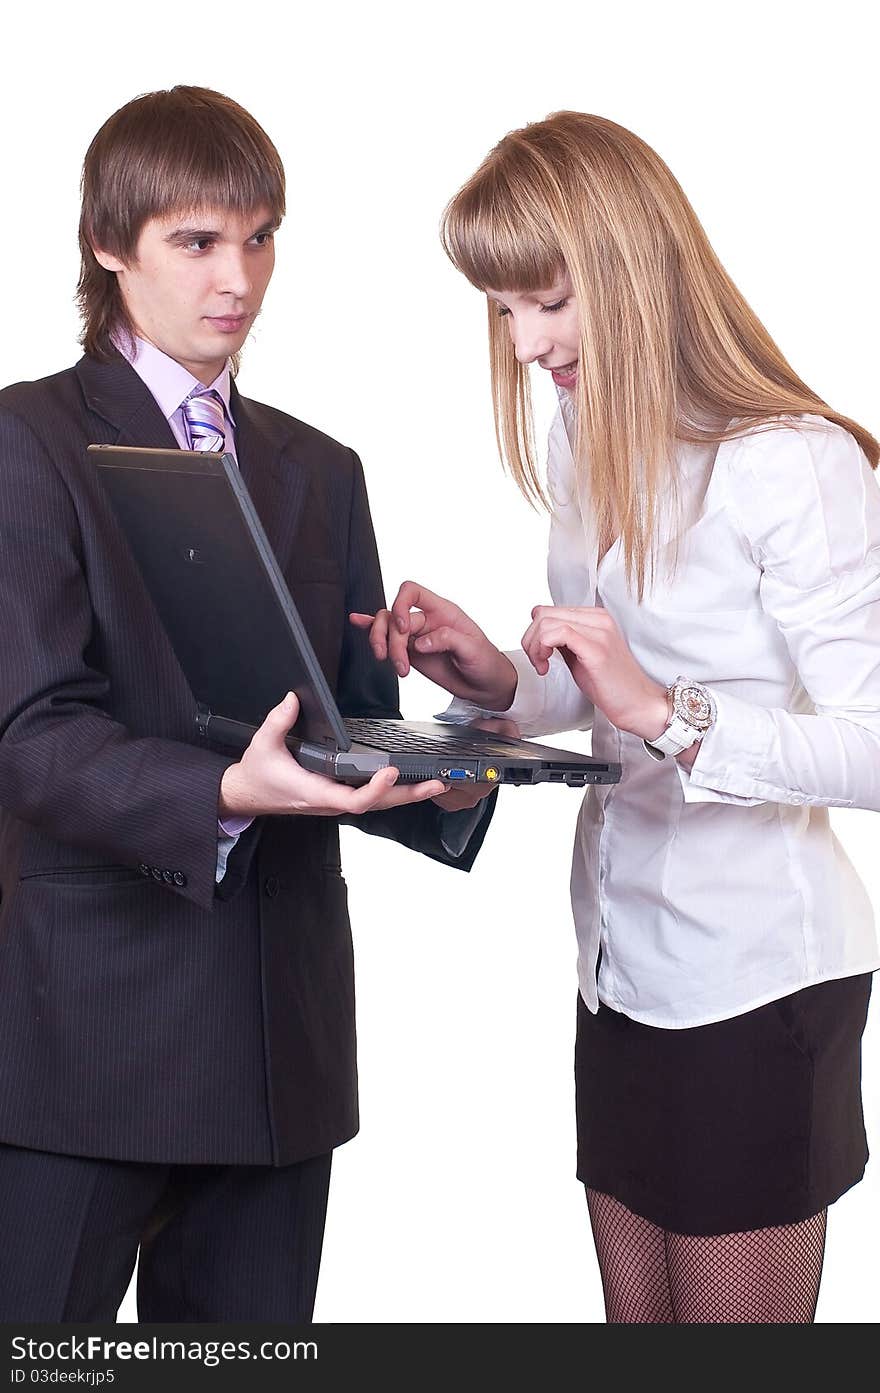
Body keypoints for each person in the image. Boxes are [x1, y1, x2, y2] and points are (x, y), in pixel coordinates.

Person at [354, 111, 880, 1323]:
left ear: (633, 269)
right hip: (617, 967)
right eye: (501, 310)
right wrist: (494, 677)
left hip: (752, 991)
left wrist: (670, 711)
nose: (527, 342)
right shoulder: (586, 426)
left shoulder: (788, 461)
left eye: (545, 300)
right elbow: (587, 678)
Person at [0, 86, 495, 1322]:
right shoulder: (27, 441)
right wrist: (219, 790)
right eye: (197, 240)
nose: (239, 278)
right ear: (109, 245)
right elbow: (30, 735)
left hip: (279, 1041)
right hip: (88, 1034)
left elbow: (339, 743)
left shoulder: (319, 467)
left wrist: (472, 737)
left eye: (261, 236)